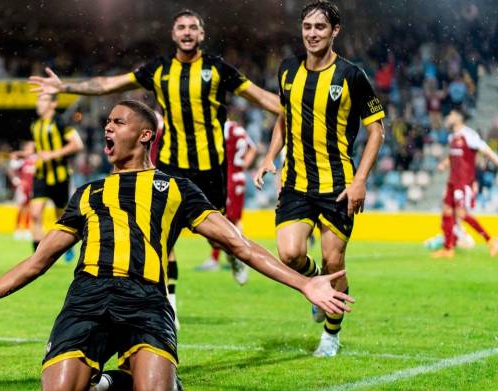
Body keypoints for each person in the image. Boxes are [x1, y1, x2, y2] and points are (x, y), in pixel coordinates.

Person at [0, 100, 353, 391]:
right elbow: (37, 262)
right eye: (106, 122)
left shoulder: (176, 190)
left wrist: (304, 282)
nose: (107, 128)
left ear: (145, 134)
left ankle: (145, 374)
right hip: (87, 298)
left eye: (118, 122)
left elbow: (240, 245)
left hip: (145, 298)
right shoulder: (87, 194)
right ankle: (115, 378)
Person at [29, 9, 281, 325]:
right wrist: (66, 88)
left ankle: (230, 255)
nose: (187, 32)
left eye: (193, 27)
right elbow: (109, 84)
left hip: (209, 168)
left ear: (201, 34)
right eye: (181, 27)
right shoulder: (158, 69)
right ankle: (169, 303)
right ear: (173, 34)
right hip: (171, 166)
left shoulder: (218, 69)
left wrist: (297, 108)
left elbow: (263, 98)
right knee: (159, 235)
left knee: (217, 237)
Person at [254, 0, 385, 357]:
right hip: (296, 183)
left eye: (320, 28)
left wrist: (359, 182)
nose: (312, 34)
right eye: (308, 27)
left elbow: (377, 132)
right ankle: (316, 285)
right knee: (290, 254)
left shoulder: (352, 75)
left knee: (334, 263)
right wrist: (269, 155)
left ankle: (330, 334)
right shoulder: (286, 70)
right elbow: (285, 116)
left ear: (335, 32)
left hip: (338, 186)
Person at [196, 117, 257, 285]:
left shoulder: (219, 127)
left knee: (219, 218)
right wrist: (243, 165)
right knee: (232, 219)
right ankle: (234, 256)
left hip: (225, 177)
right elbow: (254, 148)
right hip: (238, 176)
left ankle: (237, 257)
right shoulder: (239, 129)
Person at [431, 107, 498, 258]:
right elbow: (452, 156)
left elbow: (485, 150)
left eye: (451, 114)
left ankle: (490, 240)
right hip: (452, 181)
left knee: (461, 214)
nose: (449, 116)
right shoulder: (452, 137)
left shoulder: (469, 135)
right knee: (447, 211)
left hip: (464, 182)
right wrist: (444, 164)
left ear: (459, 117)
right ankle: (448, 249)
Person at [25, 94, 83, 254]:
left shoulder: (60, 122)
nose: (38, 103)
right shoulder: (35, 125)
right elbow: (35, 147)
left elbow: (77, 144)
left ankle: (67, 246)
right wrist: (24, 154)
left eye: (42, 100)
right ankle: (37, 254)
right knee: (35, 214)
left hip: (60, 176)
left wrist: (53, 154)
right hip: (41, 175)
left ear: (53, 103)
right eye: (38, 100)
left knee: (62, 219)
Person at [7, 141, 37, 241]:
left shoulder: (36, 159)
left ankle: (27, 229)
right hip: (23, 188)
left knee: (30, 208)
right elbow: (10, 167)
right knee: (21, 207)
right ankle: (17, 229)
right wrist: (15, 180)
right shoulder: (22, 161)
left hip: (32, 188)